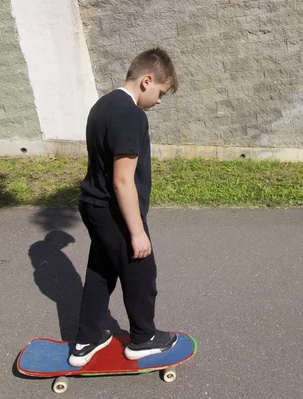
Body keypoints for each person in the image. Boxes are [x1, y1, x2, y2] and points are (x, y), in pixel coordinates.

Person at [68, 48, 179, 367]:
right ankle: (143, 339)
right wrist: (137, 232)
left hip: (92, 204)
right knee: (141, 271)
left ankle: (87, 340)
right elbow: (122, 181)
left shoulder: (103, 105)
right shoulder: (131, 115)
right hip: (112, 210)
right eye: (160, 92)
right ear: (147, 81)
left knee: (101, 271)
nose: (158, 101)